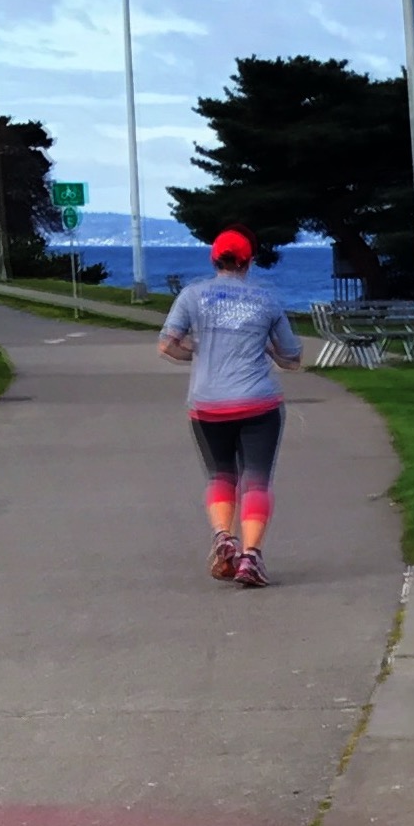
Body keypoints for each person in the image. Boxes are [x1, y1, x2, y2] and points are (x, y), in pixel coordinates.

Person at [157, 229, 304, 586]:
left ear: (214, 259)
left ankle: (224, 538)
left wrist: (198, 351)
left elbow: (166, 346)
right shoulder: (266, 300)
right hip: (258, 402)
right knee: (256, 479)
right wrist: (268, 350)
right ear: (249, 261)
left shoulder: (192, 295)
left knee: (221, 474)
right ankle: (251, 558)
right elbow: (293, 358)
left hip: (207, 405)